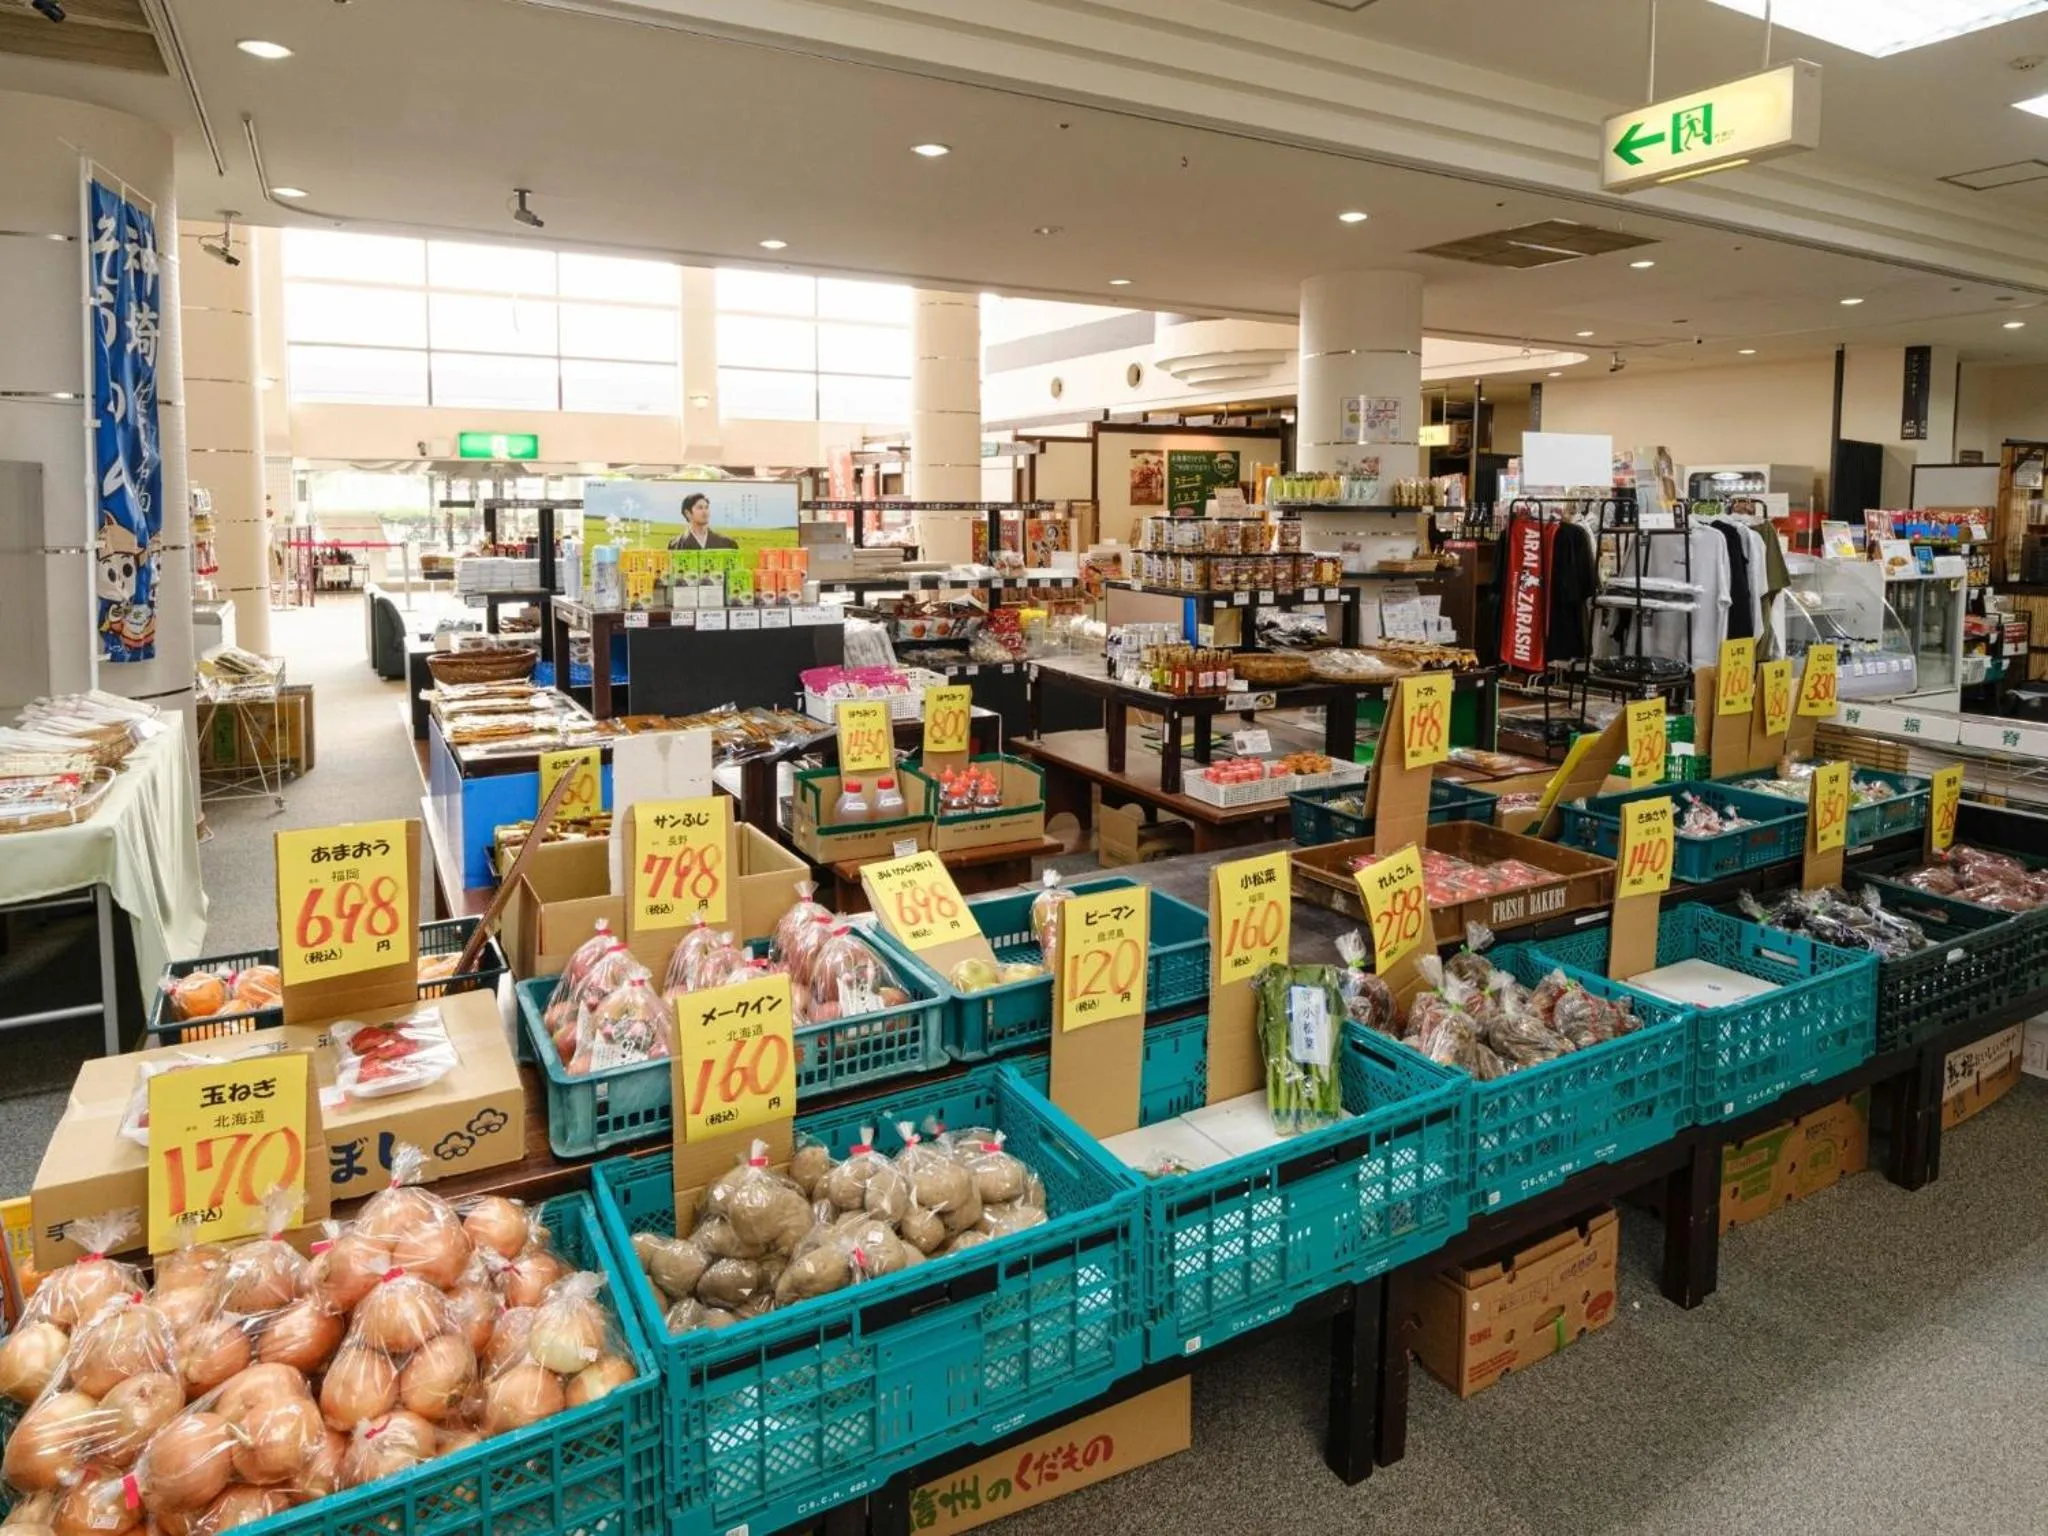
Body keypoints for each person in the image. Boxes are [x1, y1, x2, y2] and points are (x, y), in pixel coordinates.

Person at [667, 492, 736, 550]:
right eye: (700, 508)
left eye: (706, 507)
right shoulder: (676, 545)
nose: (705, 511)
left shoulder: (727, 543)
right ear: (688, 513)